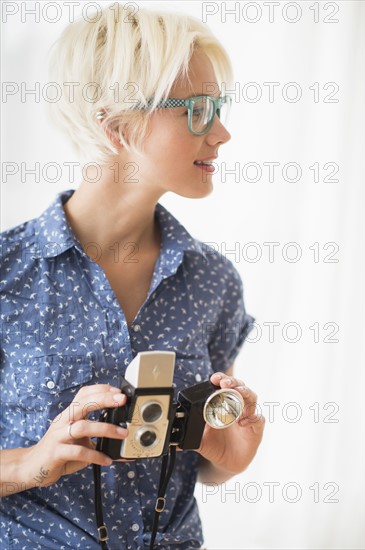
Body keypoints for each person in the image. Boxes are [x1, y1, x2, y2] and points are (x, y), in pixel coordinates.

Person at [0, 3, 265, 549]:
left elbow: (205, 461)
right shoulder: (7, 272)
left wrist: (227, 457)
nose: (221, 133)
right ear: (117, 124)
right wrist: (29, 463)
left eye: (219, 107)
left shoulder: (214, 281)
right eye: (197, 109)